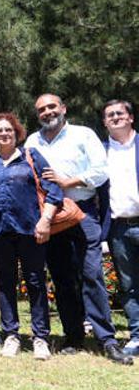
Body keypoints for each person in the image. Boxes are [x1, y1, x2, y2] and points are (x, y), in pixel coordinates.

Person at [25, 94, 132, 364]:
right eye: (42, 109)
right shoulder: (32, 141)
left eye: (52, 107)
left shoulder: (83, 135)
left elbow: (101, 171)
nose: (48, 112)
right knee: (62, 279)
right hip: (53, 217)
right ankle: (73, 336)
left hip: (83, 213)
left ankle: (106, 339)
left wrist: (66, 181)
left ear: (63, 108)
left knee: (92, 275)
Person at [0, 113, 59, 360]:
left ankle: (40, 337)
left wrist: (45, 220)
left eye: (8, 130)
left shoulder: (31, 157)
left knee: (35, 282)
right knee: (5, 283)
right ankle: (11, 334)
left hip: (30, 230)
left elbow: (53, 189)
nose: (3, 134)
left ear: (16, 133)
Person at [100, 100, 139, 356]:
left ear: (131, 117)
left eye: (119, 113)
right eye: (109, 115)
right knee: (128, 286)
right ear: (104, 123)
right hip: (118, 228)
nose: (115, 118)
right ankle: (137, 335)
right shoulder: (101, 152)